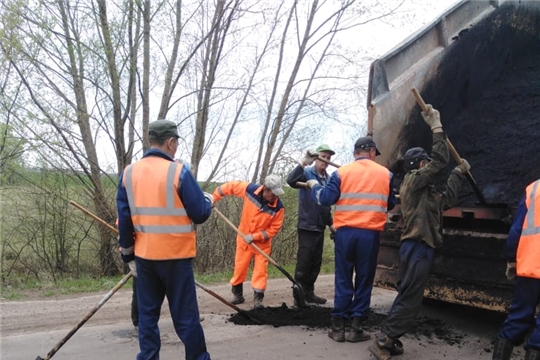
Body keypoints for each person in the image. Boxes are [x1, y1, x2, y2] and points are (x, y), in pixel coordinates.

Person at [368, 105, 470, 360]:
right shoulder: (412, 181)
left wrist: (458, 174)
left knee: (408, 294)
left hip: (420, 247)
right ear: (419, 164)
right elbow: (439, 162)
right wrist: (437, 127)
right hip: (417, 246)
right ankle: (384, 341)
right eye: (425, 162)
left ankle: (390, 338)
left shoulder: (427, 193)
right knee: (411, 299)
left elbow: (446, 200)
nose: (428, 165)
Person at [117, 119, 213, 360]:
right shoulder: (179, 171)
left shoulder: (129, 173)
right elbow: (199, 213)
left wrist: (128, 255)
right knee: (186, 317)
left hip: (145, 257)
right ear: (171, 142)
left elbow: (124, 218)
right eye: (176, 142)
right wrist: (208, 201)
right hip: (176, 258)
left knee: (148, 316)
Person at [306, 136, 396, 343]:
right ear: (372, 152)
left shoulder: (341, 173)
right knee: (364, 280)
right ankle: (356, 328)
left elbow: (325, 199)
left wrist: (313, 186)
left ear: (355, 153)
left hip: (345, 233)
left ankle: (338, 328)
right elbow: (390, 203)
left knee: (344, 278)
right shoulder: (386, 175)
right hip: (369, 235)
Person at [213, 175, 285, 309]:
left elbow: (273, 229)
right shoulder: (250, 190)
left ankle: (258, 299)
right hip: (243, 238)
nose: (275, 197)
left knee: (260, 270)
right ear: (266, 189)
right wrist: (214, 197)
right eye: (273, 194)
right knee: (240, 267)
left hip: (262, 244)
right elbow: (230, 187)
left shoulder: (278, 208)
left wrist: (255, 236)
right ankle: (237, 295)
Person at [491, 179, 540, 360]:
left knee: (518, 316)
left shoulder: (534, 189)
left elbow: (516, 230)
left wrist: (511, 258)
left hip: (530, 266)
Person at [286, 144, 336, 305]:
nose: (326, 160)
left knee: (315, 263)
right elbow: (291, 181)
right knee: (304, 263)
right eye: (323, 156)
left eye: (328, 158)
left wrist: (331, 224)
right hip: (307, 225)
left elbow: (326, 205)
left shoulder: (328, 179)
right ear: (316, 158)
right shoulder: (307, 173)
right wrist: (303, 163)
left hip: (320, 226)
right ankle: (298, 298)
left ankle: (309, 293)